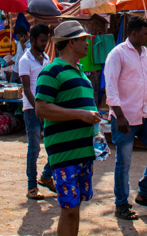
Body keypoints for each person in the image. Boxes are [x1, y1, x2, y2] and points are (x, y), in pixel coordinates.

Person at [34, 21, 101, 236]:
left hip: (84, 151)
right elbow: (41, 108)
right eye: (83, 39)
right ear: (72, 42)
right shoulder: (51, 71)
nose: (87, 43)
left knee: (75, 207)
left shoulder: (81, 74)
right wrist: (81, 114)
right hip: (65, 153)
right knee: (69, 209)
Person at [103, 16, 147, 218]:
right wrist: (120, 116)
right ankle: (121, 205)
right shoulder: (117, 55)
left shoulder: (145, 52)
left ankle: (145, 192)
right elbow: (111, 89)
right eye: (146, 33)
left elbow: (145, 82)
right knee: (124, 163)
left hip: (146, 115)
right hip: (125, 118)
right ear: (133, 34)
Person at [18, 23, 56, 200]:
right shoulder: (25, 61)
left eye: (46, 41)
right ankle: (31, 186)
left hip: (47, 108)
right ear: (32, 40)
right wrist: (38, 109)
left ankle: (47, 176)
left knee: (55, 145)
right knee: (34, 148)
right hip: (31, 109)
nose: (44, 44)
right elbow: (27, 89)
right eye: (42, 41)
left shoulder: (46, 58)